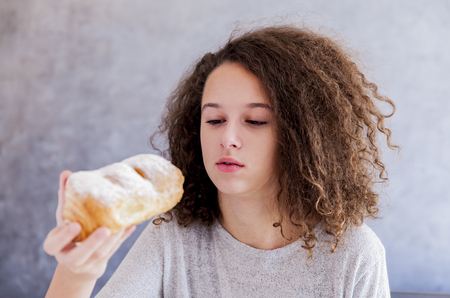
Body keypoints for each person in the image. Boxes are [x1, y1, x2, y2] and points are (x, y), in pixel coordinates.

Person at [43, 25, 398, 297]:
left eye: (255, 121)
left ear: (305, 136)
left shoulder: (354, 255)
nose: (227, 138)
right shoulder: (173, 239)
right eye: (214, 120)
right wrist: (77, 273)